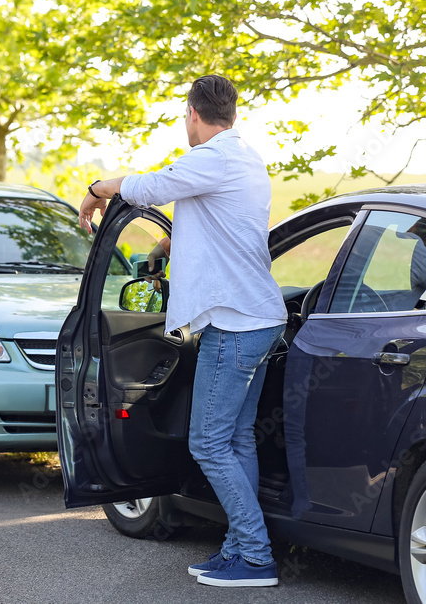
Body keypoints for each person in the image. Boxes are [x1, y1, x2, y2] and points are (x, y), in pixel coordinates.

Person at [79, 75, 288, 588]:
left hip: (234, 324)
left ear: (193, 114)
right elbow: (221, 227)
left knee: (209, 443)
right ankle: (239, 548)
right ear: (231, 112)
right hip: (259, 320)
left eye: (185, 117)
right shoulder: (243, 158)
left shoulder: (211, 158)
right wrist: (172, 249)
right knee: (237, 439)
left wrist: (94, 190)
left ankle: (256, 555)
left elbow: (149, 185)